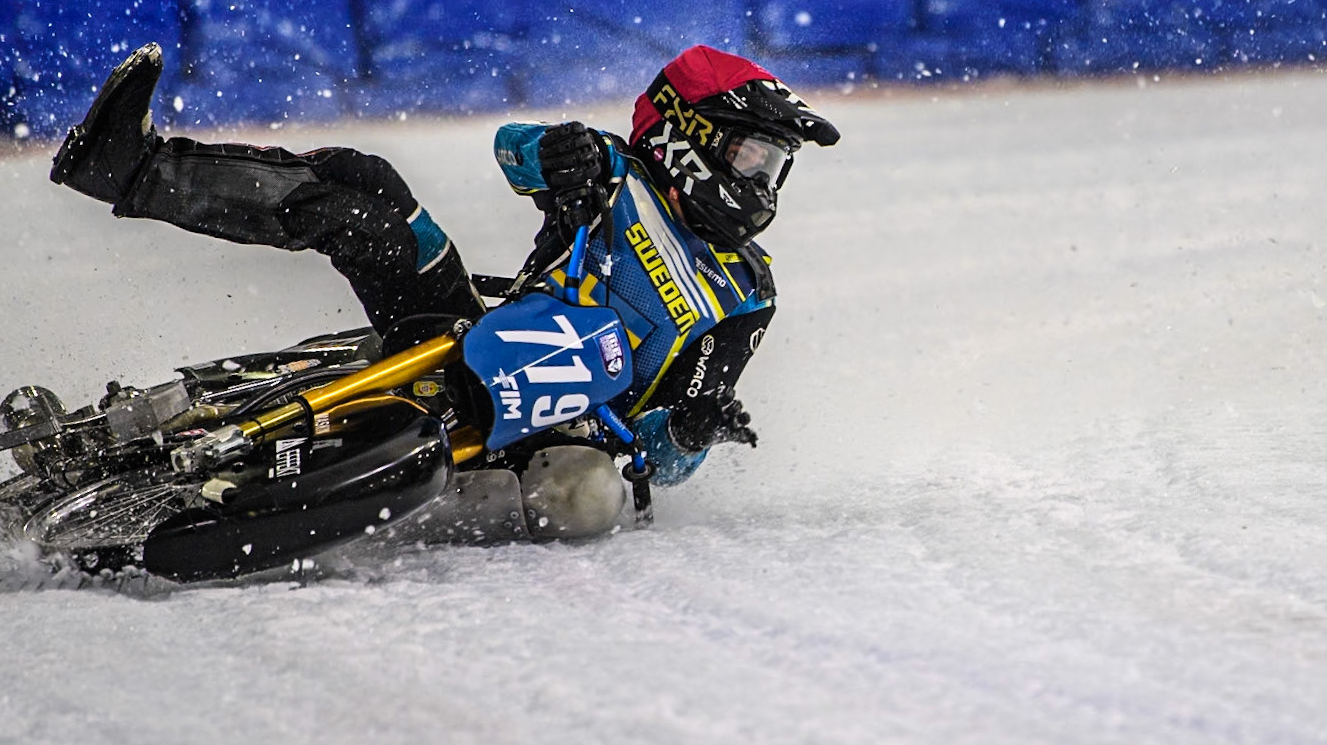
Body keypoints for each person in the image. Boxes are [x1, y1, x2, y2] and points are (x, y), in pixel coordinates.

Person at [49, 42, 839, 540]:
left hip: (571, 437)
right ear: (683, 136)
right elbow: (514, 152)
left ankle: (406, 498)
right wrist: (556, 154)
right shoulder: (612, 168)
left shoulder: (746, 294)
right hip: (480, 343)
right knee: (368, 191)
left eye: (773, 165)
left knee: (586, 497)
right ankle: (135, 169)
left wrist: (692, 432)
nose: (762, 182)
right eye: (750, 157)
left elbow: (663, 464)